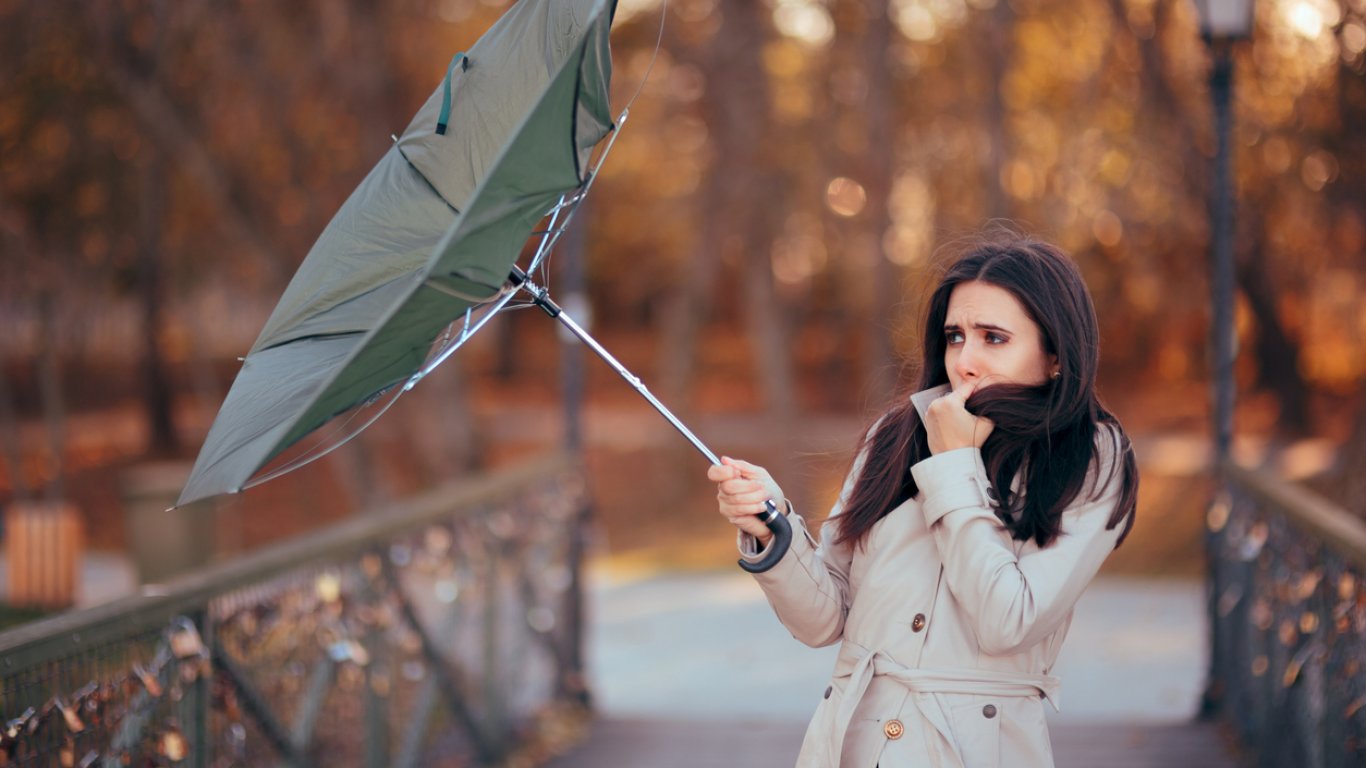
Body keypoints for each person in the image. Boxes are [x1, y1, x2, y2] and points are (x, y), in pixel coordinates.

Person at [709, 237, 1139, 768]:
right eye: (955, 337)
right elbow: (825, 619)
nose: (966, 361)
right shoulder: (897, 434)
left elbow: (1008, 621)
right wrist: (773, 527)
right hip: (853, 743)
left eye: (994, 338)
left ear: (1054, 355)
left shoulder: (1089, 454)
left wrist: (955, 463)